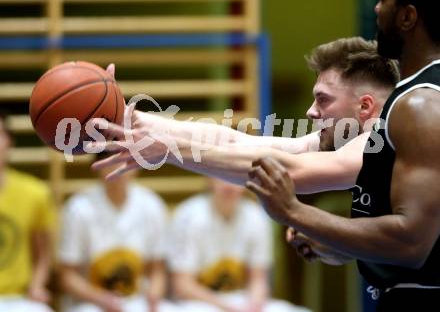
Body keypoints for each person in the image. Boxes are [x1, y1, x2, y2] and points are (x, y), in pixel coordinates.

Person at [245, 0, 440, 310]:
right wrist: (333, 241)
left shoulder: (420, 105)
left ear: (408, 16)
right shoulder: (416, 96)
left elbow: (411, 244)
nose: (376, 8)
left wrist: (295, 211)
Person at [90, 37, 398, 186]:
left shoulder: (384, 139)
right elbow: (233, 142)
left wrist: (171, 150)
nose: (311, 112)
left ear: (365, 106)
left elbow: (289, 172)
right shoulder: (345, 141)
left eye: (323, 99)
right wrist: (137, 121)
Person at [168, 178, 310, 312]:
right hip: (199, 303)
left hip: (239, 300)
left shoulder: (256, 217)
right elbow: (182, 287)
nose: (229, 185)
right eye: (221, 177)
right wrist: (228, 308)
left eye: (234, 178)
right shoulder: (189, 216)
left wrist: (254, 304)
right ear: (209, 180)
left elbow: (258, 280)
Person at [58, 153, 176, 312]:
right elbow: (67, 276)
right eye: (111, 162)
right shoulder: (78, 208)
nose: (118, 168)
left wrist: (154, 295)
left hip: (136, 300)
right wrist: (101, 299)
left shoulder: (151, 205)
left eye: (124, 161)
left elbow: (157, 269)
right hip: (91, 303)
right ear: (98, 166)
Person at [0, 114, 56, 312]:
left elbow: (44, 253)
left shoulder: (35, 193)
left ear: (9, 141)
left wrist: (37, 285)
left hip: (19, 298)